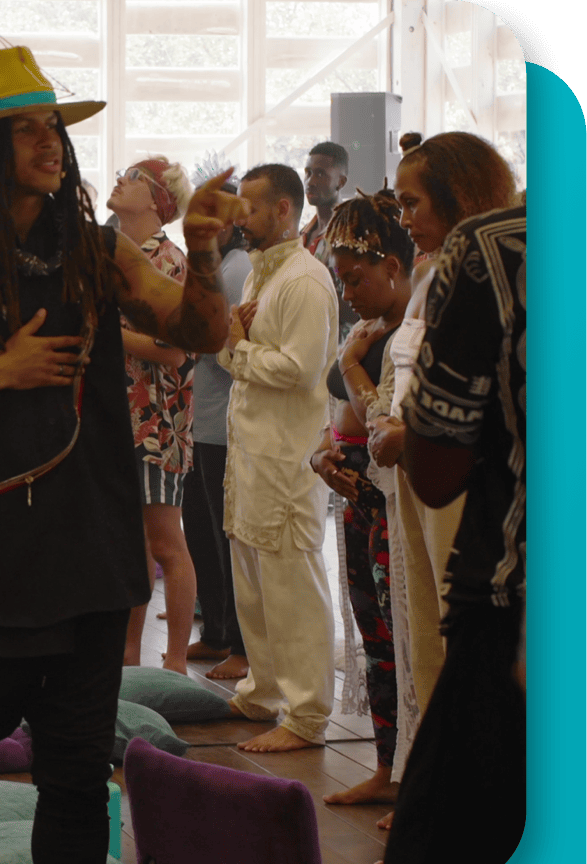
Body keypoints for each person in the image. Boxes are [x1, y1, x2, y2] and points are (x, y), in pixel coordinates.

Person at [0, 45, 242, 864]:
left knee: (75, 790)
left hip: (86, 565)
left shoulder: (97, 252)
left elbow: (200, 332)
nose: (48, 142)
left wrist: (205, 250)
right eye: (23, 129)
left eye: (52, 126)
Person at [383, 199, 526, 864]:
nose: (405, 213)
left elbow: (438, 469)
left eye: (414, 200)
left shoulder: (495, 249)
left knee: (448, 858)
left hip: (512, 596)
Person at [365, 133, 516, 720]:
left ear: (459, 195)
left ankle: (469, 762)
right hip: (415, 464)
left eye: (413, 203)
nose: (404, 220)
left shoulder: (497, 269)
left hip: (468, 475)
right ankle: (429, 758)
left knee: (464, 628)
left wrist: (416, 436)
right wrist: (387, 420)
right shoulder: (431, 276)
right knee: (420, 622)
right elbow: (404, 371)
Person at [220, 163, 338, 753]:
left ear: (283, 209)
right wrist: (234, 344)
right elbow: (233, 353)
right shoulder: (260, 275)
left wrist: (239, 348)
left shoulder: (304, 281)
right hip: (252, 451)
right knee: (253, 579)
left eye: (250, 207)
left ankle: (307, 713)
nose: (239, 218)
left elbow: (301, 369)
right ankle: (263, 690)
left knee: (292, 585)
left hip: (288, 457)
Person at [308, 191, 414, 807]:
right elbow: (339, 422)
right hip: (358, 503)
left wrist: (351, 364)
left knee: (405, 643)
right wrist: (320, 456)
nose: (347, 292)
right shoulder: (363, 328)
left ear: (392, 267)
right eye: (342, 280)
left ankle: (417, 780)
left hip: (397, 507)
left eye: (356, 279)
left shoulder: (410, 335)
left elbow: (384, 424)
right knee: (376, 644)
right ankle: (385, 767)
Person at [107, 155, 197, 671]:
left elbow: (175, 350)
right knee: (132, 541)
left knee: (165, 542)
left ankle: (176, 661)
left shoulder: (167, 261)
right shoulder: (114, 255)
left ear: (158, 201)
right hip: (120, 418)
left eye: (133, 178)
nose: (121, 181)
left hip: (156, 422)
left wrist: (108, 332)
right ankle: (128, 653)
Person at [182, 177, 251, 680]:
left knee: (226, 539)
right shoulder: (219, 266)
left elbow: (218, 341)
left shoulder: (237, 268)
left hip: (224, 422)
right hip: (204, 420)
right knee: (203, 533)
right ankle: (217, 631)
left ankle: (238, 643)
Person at [301, 141, 356, 339]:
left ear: (341, 182)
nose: (310, 181)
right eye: (308, 173)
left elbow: (360, 306)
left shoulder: (351, 233)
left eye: (320, 174)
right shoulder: (303, 234)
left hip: (338, 344)